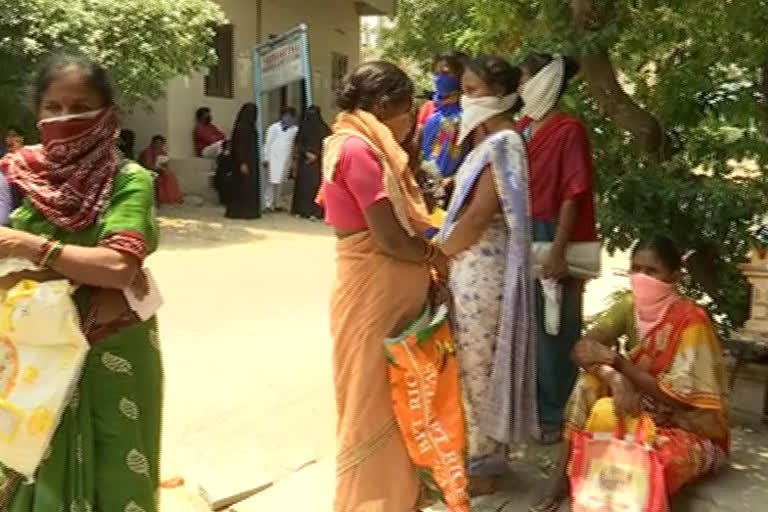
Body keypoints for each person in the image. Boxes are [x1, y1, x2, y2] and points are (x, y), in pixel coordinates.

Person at [0, 55, 162, 511]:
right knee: (29, 469)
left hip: (110, 350)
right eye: (53, 107)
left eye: (79, 106)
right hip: (30, 351)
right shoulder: (16, 176)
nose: (65, 118)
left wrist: (33, 249)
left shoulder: (129, 181)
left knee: (115, 469)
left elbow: (117, 267)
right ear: (37, 113)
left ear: (107, 111)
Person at [319, 61, 447, 512]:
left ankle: (399, 498)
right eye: (408, 109)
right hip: (372, 292)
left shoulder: (367, 145)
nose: (411, 119)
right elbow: (390, 237)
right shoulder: (357, 150)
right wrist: (435, 256)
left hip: (387, 296)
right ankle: (372, 501)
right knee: (372, 400)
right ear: (384, 104)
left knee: (395, 397)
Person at [531, 235, 729, 512]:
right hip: (640, 409)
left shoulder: (690, 321)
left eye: (651, 271)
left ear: (674, 276)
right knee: (589, 382)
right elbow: (583, 348)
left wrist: (620, 364)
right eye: (636, 269)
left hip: (688, 428)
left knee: (650, 463)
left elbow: (681, 400)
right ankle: (560, 475)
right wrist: (615, 377)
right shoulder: (628, 305)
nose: (641, 277)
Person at [437, 55, 538, 496]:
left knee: (479, 370)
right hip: (473, 270)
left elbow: (480, 216)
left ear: (500, 96)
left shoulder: (503, 143)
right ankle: (478, 457)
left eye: (473, 90)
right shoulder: (489, 143)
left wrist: (438, 253)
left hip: (484, 272)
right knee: (471, 366)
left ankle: (484, 467)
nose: (466, 98)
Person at [516, 53, 599, 442]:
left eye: (524, 79)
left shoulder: (569, 130)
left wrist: (558, 250)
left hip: (555, 233)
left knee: (556, 329)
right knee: (530, 328)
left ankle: (557, 417)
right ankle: (534, 409)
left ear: (543, 82)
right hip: (525, 231)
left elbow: (573, 194)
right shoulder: (524, 126)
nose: (519, 87)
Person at [420, 51, 469, 186]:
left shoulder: (470, 112)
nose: (439, 78)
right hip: (426, 180)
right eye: (436, 74)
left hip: (454, 185)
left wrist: (454, 179)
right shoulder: (430, 108)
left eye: (446, 73)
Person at [291, 105, 330, 220]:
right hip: (308, 162)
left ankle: (313, 211)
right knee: (305, 186)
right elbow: (298, 143)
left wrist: (314, 155)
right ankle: (304, 210)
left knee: (312, 186)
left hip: (314, 163)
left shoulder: (322, 128)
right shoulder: (313, 127)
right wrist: (309, 154)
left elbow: (327, 143)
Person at [225, 103, 261, 219]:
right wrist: (243, 162)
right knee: (243, 186)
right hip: (243, 162)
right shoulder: (242, 128)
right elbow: (239, 147)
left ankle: (249, 211)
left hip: (250, 161)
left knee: (248, 186)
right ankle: (241, 211)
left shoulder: (250, 127)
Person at [263, 106, 299, 212]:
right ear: (282, 116)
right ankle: (268, 204)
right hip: (273, 158)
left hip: (285, 159)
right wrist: (266, 158)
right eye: (286, 116)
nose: (288, 119)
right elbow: (268, 143)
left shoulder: (295, 129)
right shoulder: (273, 127)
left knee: (280, 182)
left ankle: (277, 203)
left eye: (290, 117)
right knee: (270, 182)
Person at [139, 135, 183, 205]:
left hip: (158, 170)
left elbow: (165, 164)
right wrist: (158, 169)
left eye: (161, 143)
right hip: (146, 170)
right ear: (152, 143)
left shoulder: (162, 152)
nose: (158, 145)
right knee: (160, 177)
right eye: (157, 143)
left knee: (171, 175)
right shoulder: (147, 152)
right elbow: (147, 165)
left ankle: (172, 198)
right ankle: (162, 199)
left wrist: (163, 167)